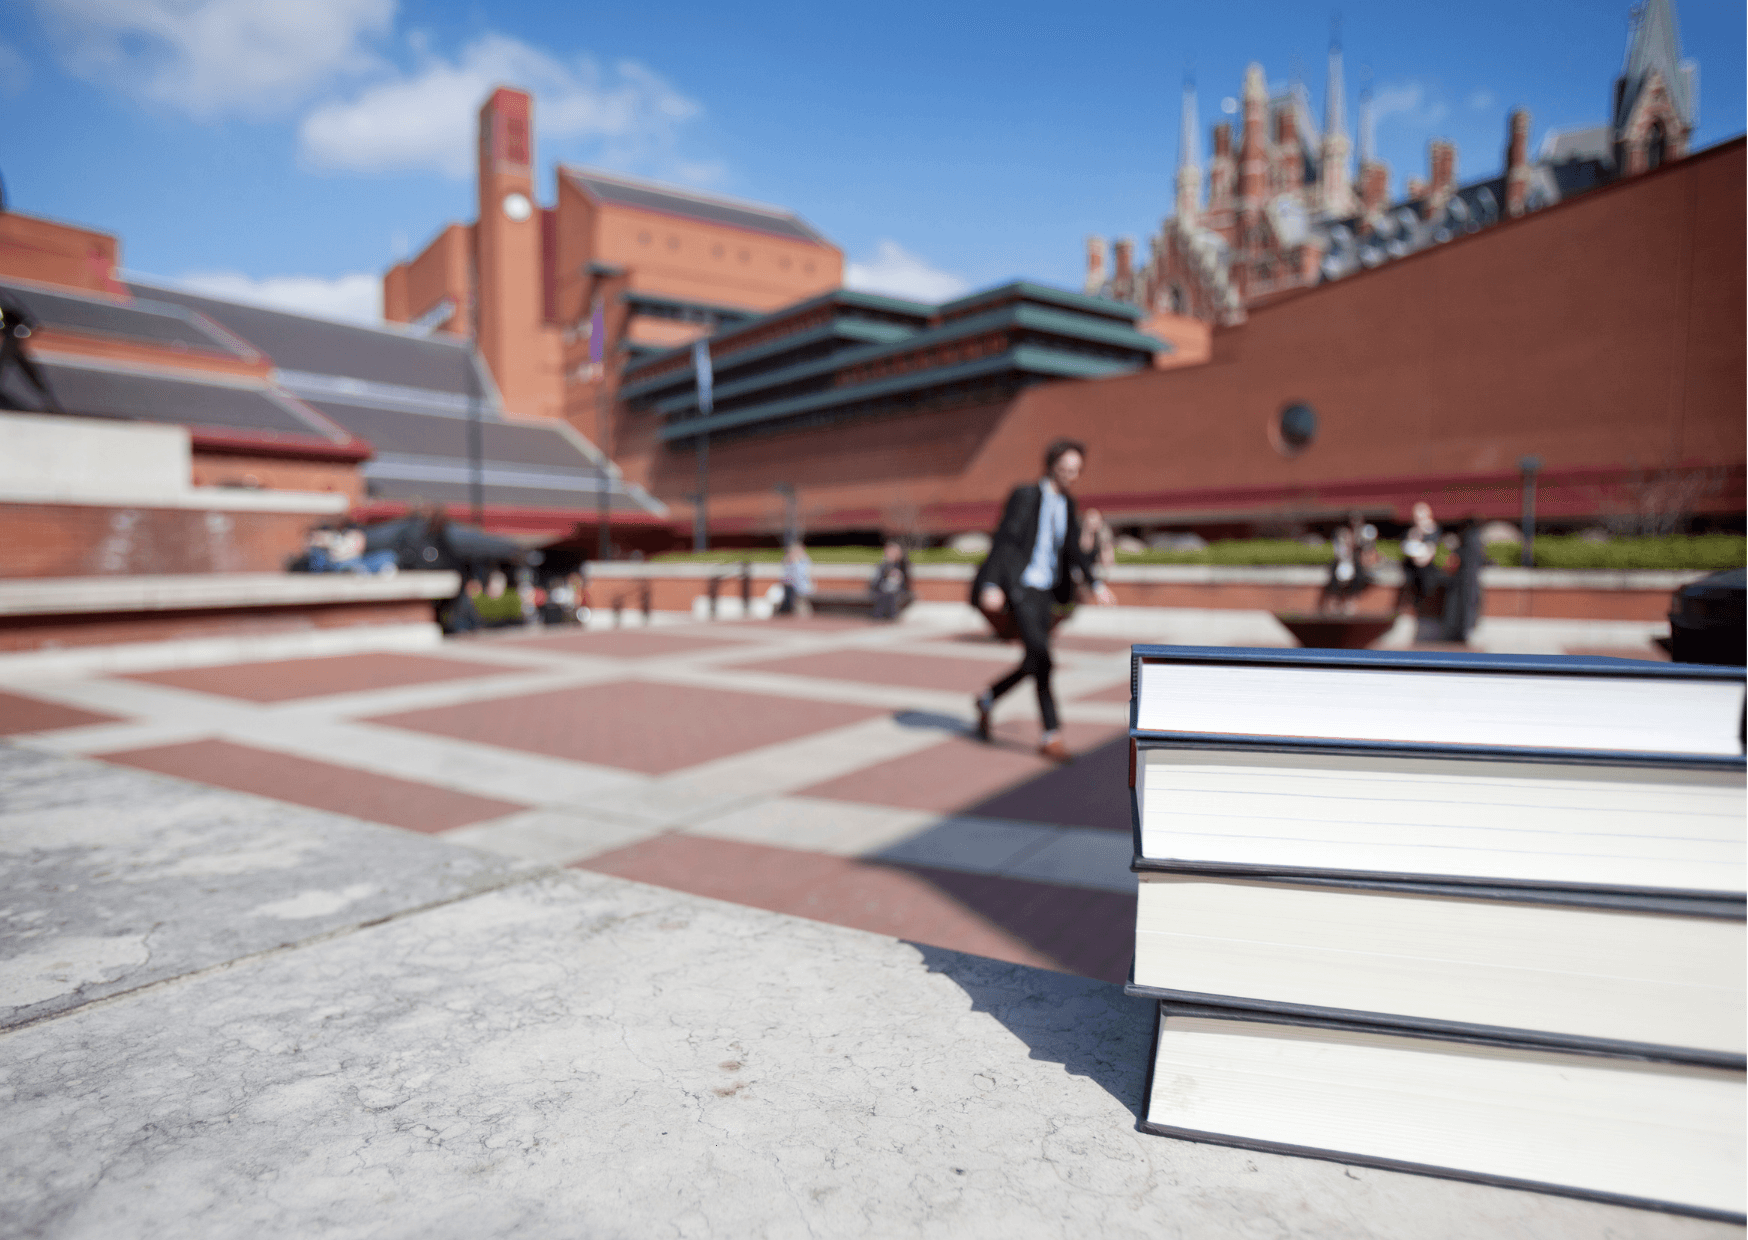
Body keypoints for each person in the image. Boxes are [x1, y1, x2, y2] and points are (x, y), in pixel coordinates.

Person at [970, 438, 1115, 763]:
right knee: (1043, 659)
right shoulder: (1026, 495)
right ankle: (1052, 735)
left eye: (1076, 471)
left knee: (1035, 659)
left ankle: (988, 697)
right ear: (1051, 465)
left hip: (1046, 593)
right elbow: (1005, 538)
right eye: (1065, 468)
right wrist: (992, 583)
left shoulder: (1068, 504)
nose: (1070, 475)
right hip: (1021, 587)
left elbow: (1074, 551)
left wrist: (1095, 583)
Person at [1397, 501, 1442, 615]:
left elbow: (1430, 551)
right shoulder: (1411, 531)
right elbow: (1405, 547)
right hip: (1413, 569)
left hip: (1427, 569)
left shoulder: (1433, 531)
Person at [869, 540, 911, 621]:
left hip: (897, 591)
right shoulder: (883, 565)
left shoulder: (902, 565)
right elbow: (876, 581)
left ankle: (890, 618)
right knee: (883, 595)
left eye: (894, 552)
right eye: (890, 552)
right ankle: (879, 617)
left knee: (891, 596)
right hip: (882, 590)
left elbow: (906, 581)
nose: (892, 554)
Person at [779, 541, 814, 618]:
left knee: (801, 605)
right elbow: (785, 576)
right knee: (797, 604)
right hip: (794, 588)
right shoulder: (790, 562)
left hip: (801, 588)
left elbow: (801, 575)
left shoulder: (803, 562)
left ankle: (804, 617)